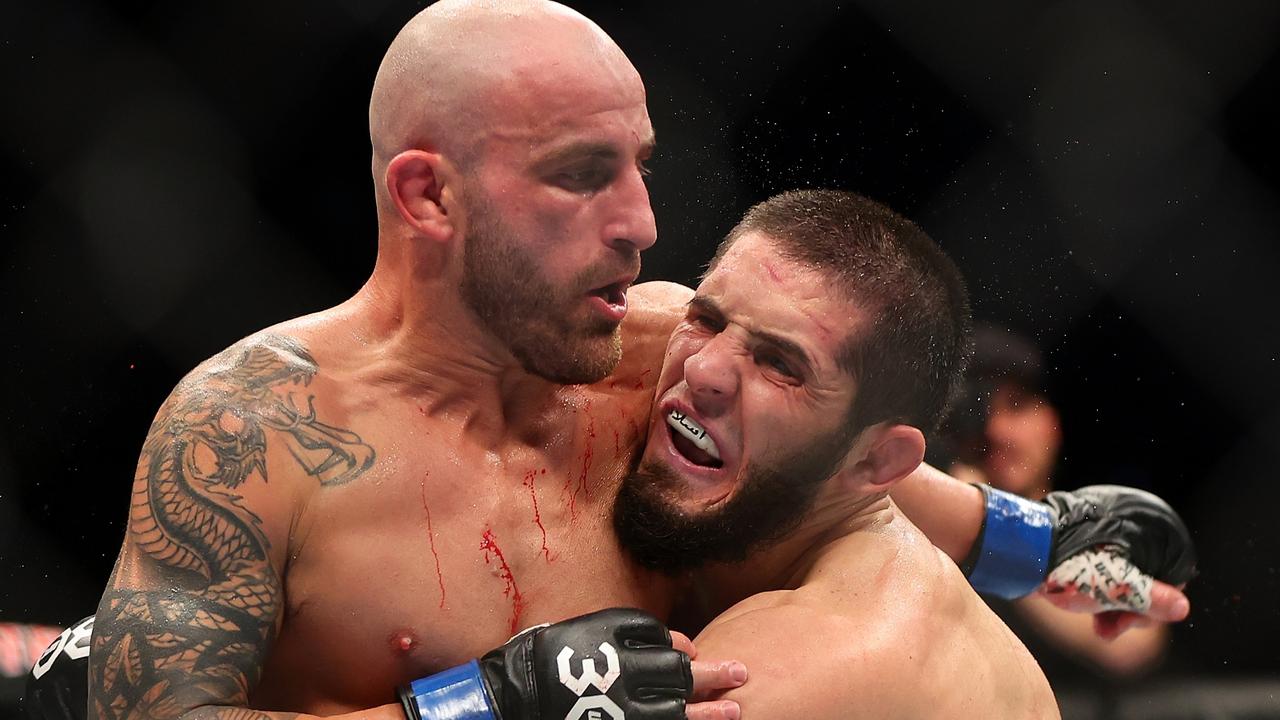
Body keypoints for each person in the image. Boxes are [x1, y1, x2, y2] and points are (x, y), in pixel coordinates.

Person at [64, 2, 1192, 719]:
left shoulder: (656, 341)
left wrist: (1033, 540)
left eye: (640, 166)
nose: (639, 219)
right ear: (427, 194)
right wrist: (474, 710)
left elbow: (831, 470)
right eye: (579, 173)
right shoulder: (250, 437)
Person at [618, 189, 1061, 717]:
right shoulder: (649, 342)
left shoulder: (805, 661)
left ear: (877, 461)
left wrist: (495, 700)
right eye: (708, 319)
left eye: (779, 364)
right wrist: (1028, 535)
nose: (703, 369)